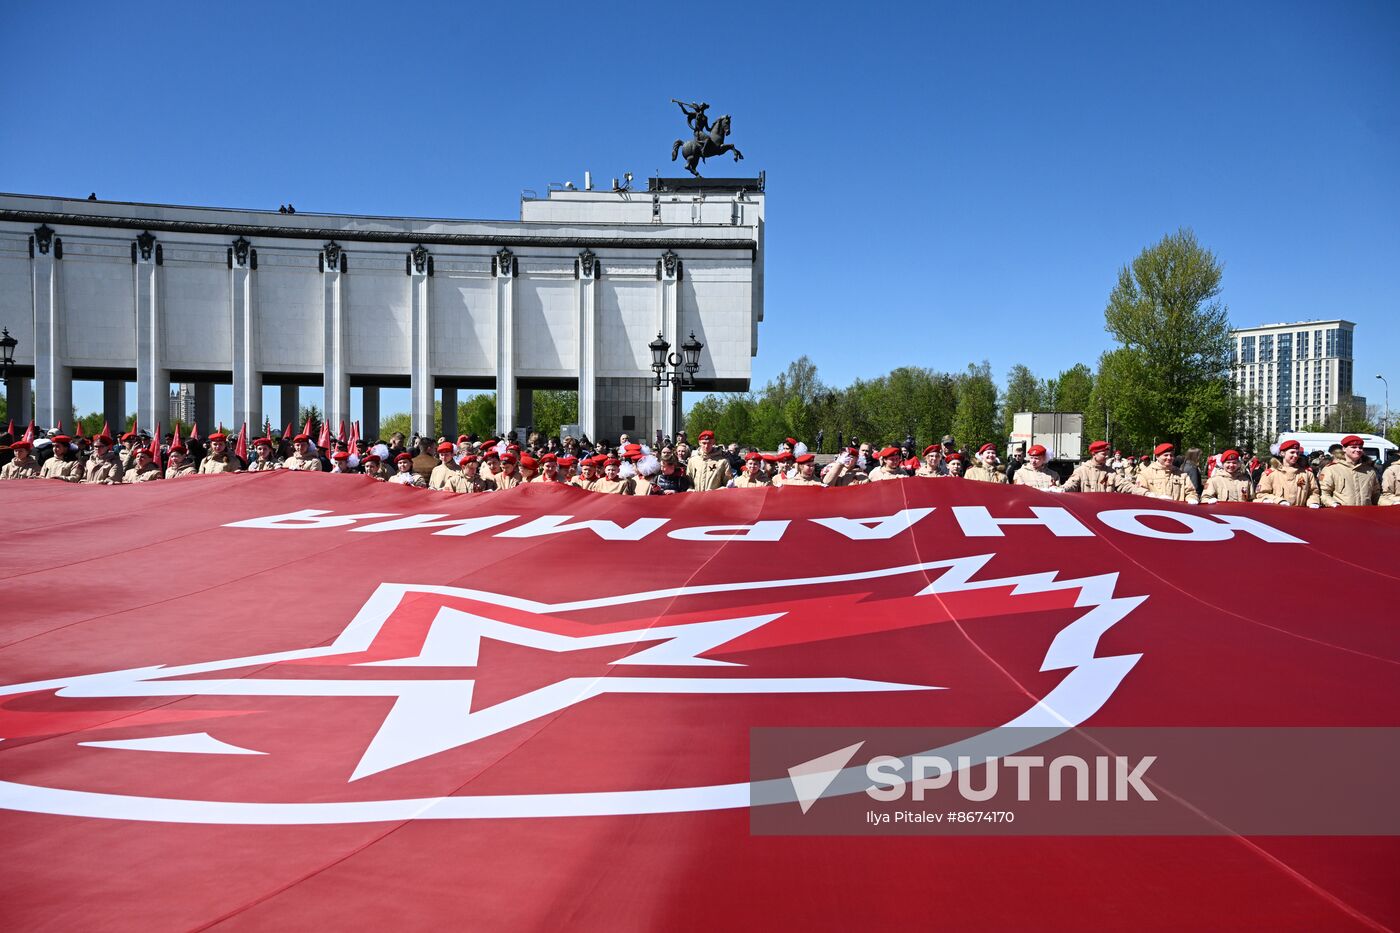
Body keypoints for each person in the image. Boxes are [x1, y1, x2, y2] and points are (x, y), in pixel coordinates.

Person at [1060, 440, 1150, 494]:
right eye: (1104, 454)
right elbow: (1071, 485)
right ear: (1094, 454)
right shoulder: (1081, 471)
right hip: (1085, 513)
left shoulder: (1111, 472)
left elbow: (1125, 486)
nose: (1107, 456)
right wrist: (1061, 489)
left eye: (1107, 454)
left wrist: (1145, 493)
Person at [1320, 434, 1380, 507]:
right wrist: (1334, 504)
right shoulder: (1331, 469)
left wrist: (1392, 503)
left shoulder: (1370, 471)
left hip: (1365, 514)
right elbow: (1324, 494)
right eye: (1353, 447)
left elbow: (1376, 496)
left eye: (1360, 448)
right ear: (1344, 449)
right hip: (1342, 514)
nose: (1357, 450)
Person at [1135, 443, 1199, 503]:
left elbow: (1191, 492)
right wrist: (1154, 496)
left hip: (1176, 512)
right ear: (1157, 457)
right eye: (1166, 455)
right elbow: (1139, 492)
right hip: (1154, 511)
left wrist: (1192, 498)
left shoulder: (1182, 475)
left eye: (1171, 455)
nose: (1169, 458)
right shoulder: (1145, 474)